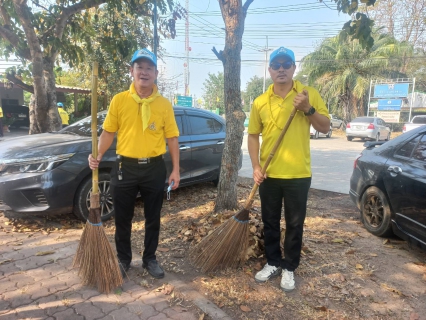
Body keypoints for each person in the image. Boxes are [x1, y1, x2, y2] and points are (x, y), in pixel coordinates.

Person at [88, 48, 180, 279]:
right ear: (132, 71)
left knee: (153, 217)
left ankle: (150, 258)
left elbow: (172, 138)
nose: (144, 72)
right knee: (123, 217)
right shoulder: (119, 100)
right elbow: (108, 132)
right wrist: (97, 155)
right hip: (124, 168)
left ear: (156, 73)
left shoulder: (164, 104)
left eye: (149, 68)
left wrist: (176, 169)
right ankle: (123, 259)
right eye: (140, 67)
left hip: (154, 168)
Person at [247, 46, 330, 292]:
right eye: (276, 65)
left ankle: (289, 267)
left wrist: (308, 109)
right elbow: (253, 136)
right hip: (269, 174)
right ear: (270, 69)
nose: (281, 69)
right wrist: (255, 166)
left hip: (298, 174)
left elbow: (325, 127)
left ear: (294, 68)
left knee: (295, 224)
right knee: (269, 221)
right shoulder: (260, 101)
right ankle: (273, 262)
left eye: (286, 64)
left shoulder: (308, 93)